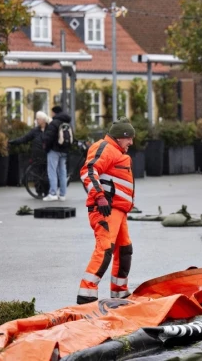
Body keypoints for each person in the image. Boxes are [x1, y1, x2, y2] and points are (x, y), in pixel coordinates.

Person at [77, 118, 136, 304]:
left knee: (125, 250)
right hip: (106, 210)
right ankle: (86, 296)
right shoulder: (105, 148)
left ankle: (119, 293)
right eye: (129, 139)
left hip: (118, 211)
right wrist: (99, 196)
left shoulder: (116, 151)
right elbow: (88, 171)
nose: (131, 143)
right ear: (120, 137)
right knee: (104, 250)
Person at [42, 105, 73, 201]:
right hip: (65, 150)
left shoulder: (54, 123)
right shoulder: (67, 123)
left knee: (52, 171)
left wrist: (46, 147)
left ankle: (53, 193)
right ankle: (63, 194)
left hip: (54, 150)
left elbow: (48, 138)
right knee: (62, 172)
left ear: (54, 113)